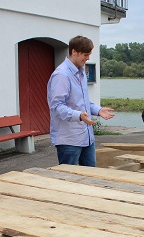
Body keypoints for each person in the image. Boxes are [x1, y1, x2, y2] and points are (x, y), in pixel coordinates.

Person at [47, 36, 115, 166]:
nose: (88, 58)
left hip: (86, 137)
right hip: (69, 139)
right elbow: (56, 107)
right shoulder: (62, 75)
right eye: (85, 54)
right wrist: (78, 115)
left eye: (89, 54)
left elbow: (83, 102)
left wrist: (98, 110)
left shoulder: (81, 72)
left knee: (90, 177)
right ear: (74, 52)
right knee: (69, 179)